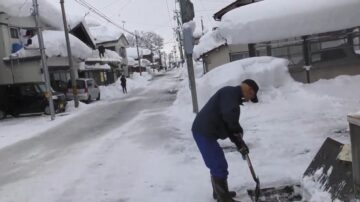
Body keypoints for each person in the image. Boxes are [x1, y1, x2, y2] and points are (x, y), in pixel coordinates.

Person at [192, 79, 259, 202]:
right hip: (204, 131)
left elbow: (228, 125)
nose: (249, 100)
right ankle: (223, 199)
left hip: (206, 131)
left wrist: (239, 142)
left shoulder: (231, 97)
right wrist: (237, 134)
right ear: (249, 90)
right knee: (218, 163)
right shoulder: (230, 94)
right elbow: (230, 118)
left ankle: (220, 194)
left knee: (217, 162)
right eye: (251, 96)